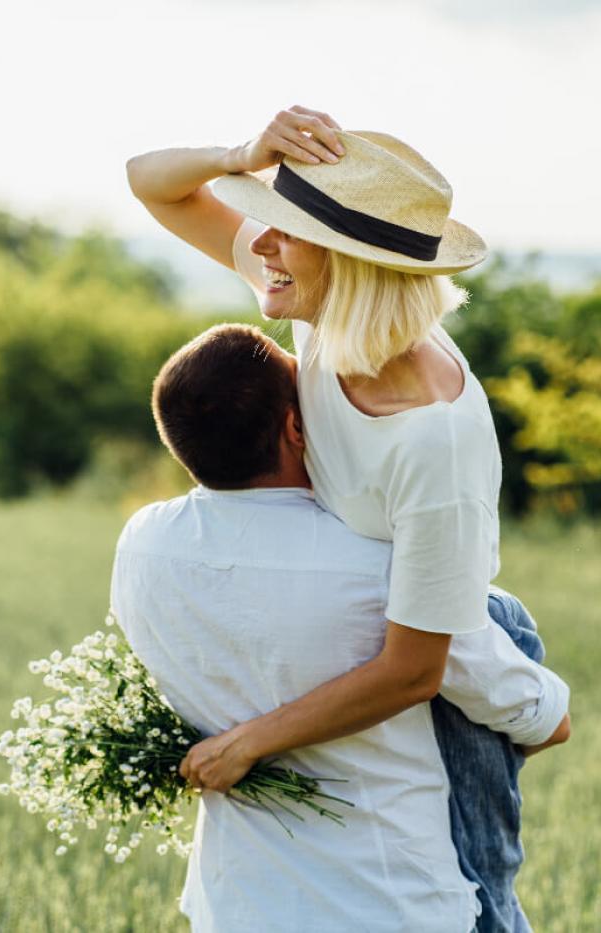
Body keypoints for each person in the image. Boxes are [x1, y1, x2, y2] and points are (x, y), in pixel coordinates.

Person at [125, 106, 561, 930]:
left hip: (449, 666)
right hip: (359, 638)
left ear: (349, 262)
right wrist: (239, 153)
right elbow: (150, 184)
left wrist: (251, 738)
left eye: (286, 233)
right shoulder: (319, 314)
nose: (261, 244)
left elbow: (415, 670)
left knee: (478, 905)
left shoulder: (433, 441)